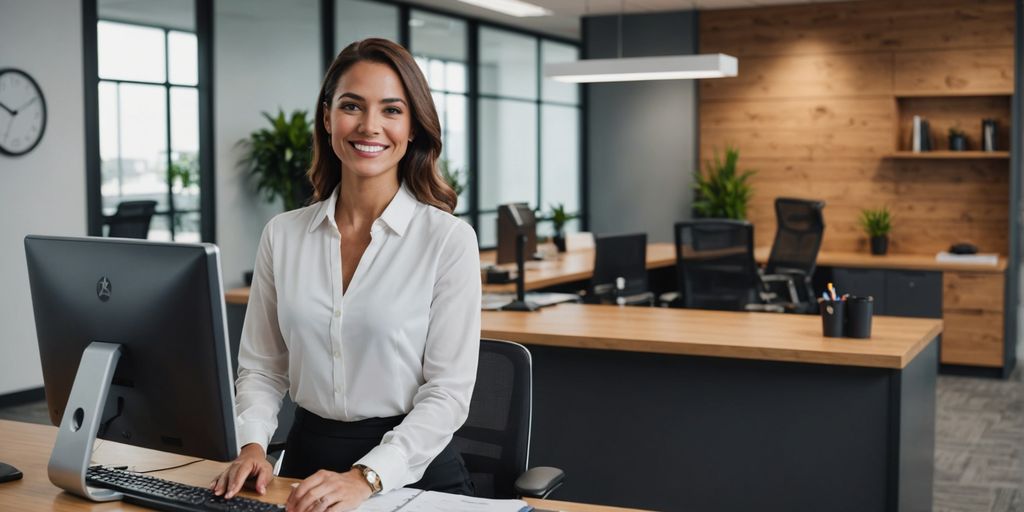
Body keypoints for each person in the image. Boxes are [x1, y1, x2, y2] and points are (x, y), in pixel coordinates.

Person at [211, 38, 481, 512]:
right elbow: (261, 368)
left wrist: (367, 477)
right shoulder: (283, 235)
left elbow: (447, 395)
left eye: (391, 110)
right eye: (352, 106)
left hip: (411, 473)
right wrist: (252, 445)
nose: (369, 126)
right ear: (327, 116)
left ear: (414, 126)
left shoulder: (447, 240)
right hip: (304, 464)